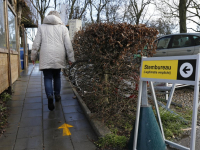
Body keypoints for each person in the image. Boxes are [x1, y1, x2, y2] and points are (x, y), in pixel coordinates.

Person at [31, 10, 75, 111]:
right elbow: (68, 45)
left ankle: (49, 96)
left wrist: (33, 56)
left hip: (45, 55)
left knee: (47, 77)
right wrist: (71, 58)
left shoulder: (42, 27)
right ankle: (57, 95)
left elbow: (36, 43)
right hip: (59, 55)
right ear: (59, 18)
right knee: (57, 76)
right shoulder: (63, 28)